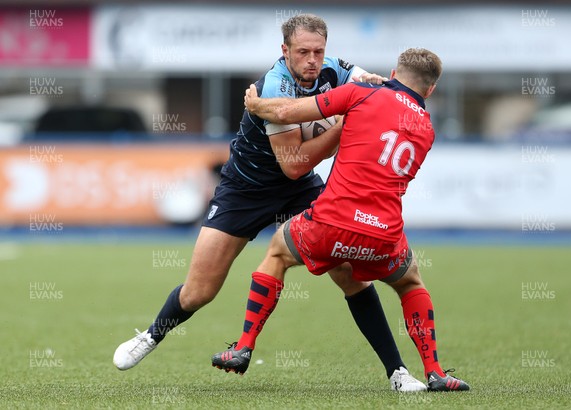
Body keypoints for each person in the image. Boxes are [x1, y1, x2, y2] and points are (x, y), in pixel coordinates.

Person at [113, 14, 425, 392]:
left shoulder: (334, 69)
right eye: (303, 52)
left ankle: (397, 372)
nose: (312, 60)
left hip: (299, 192)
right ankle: (150, 336)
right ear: (285, 52)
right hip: (245, 190)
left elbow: (378, 88)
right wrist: (344, 126)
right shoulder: (273, 86)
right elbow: (293, 165)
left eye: (318, 51)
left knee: (348, 272)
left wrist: (383, 95)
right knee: (199, 291)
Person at [211, 47, 470, 392]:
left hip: (331, 224)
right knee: (410, 283)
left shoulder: (362, 94)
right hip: (384, 235)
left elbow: (289, 112)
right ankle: (435, 372)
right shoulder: (426, 128)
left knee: (276, 252)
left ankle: (243, 347)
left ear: (393, 72)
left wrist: (257, 106)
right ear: (431, 90)